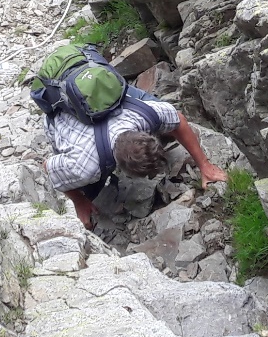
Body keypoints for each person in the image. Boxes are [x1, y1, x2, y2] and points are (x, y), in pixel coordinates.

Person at [43, 79, 227, 228]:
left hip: (97, 92)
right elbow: (48, 167)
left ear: (145, 133)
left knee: (165, 120)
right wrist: (79, 201)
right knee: (89, 187)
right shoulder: (84, 166)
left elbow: (179, 119)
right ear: (120, 168)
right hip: (61, 111)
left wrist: (205, 165)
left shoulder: (143, 115)